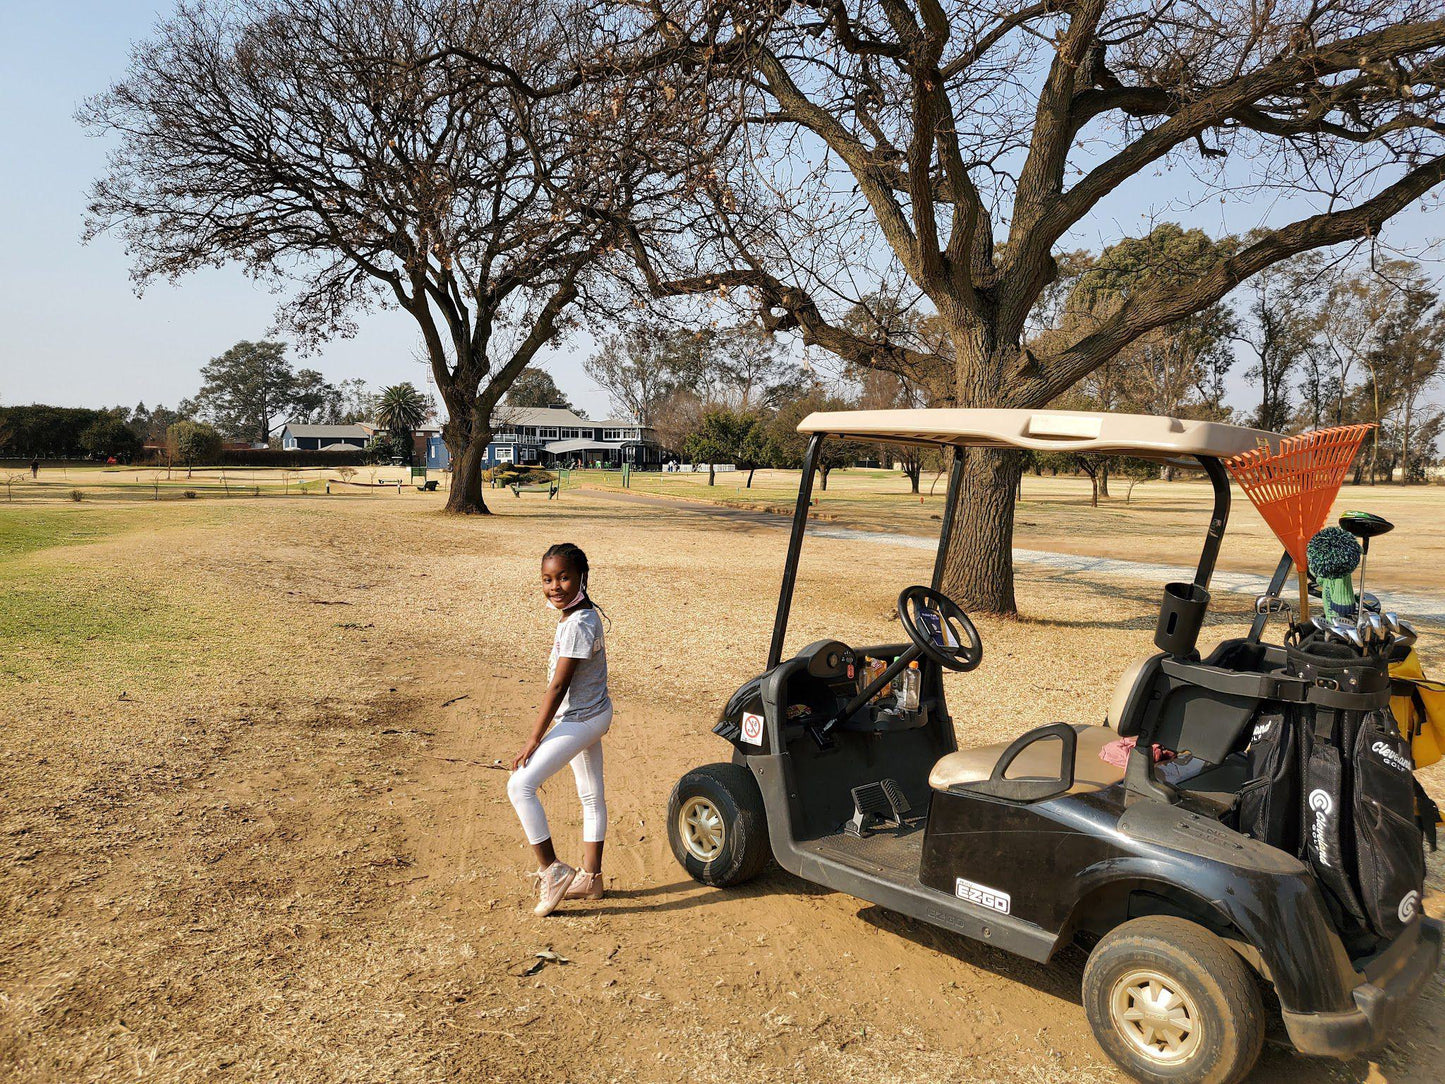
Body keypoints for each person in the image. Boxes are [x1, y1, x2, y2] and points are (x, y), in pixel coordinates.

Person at [507, 542, 612, 916]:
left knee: (520, 785)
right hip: (593, 715)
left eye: (564, 577)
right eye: (547, 579)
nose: (555, 586)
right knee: (590, 796)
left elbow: (558, 687)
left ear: (582, 576)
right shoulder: (581, 616)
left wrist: (534, 738)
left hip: (581, 720)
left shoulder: (579, 623)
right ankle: (592, 878)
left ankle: (552, 870)